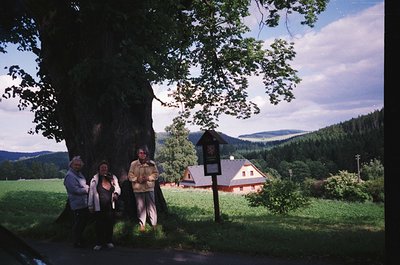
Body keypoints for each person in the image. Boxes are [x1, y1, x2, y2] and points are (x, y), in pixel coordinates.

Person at [88, 160, 121, 251]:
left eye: (105, 167)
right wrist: (90, 205)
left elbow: (118, 187)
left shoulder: (112, 177)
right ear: (99, 169)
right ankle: (99, 242)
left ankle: (108, 241)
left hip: (110, 206)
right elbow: (91, 192)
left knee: (109, 224)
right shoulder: (95, 179)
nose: (104, 169)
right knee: (99, 225)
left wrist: (116, 193)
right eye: (102, 167)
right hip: (99, 206)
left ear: (107, 169)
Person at [128, 146, 159, 232]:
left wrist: (148, 178)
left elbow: (156, 174)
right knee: (140, 207)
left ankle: (154, 224)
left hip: (149, 188)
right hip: (138, 189)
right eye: (141, 153)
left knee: (152, 207)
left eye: (144, 153)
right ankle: (142, 225)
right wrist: (137, 179)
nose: (142, 154)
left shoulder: (152, 163)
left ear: (146, 154)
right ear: (138, 154)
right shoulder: (133, 164)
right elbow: (130, 175)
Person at [63, 156, 90, 248]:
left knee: (82, 222)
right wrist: (86, 189)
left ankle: (80, 239)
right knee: (79, 223)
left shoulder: (78, 174)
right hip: (77, 203)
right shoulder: (70, 176)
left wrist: (84, 188)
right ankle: (76, 241)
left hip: (83, 202)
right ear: (71, 165)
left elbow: (82, 185)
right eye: (75, 165)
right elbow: (74, 190)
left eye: (79, 165)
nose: (77, 166)